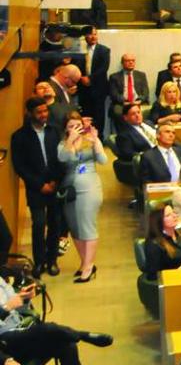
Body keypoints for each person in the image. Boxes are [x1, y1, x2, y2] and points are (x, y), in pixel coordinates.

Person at [0, 274, 109, 365]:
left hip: (20, 330)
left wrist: (24, 298)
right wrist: (7, 307)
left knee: (66, 345)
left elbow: (17, 309)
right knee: (48, 330)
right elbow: (9, 307)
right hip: (4, 342)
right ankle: (82, 335)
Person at [11, 98, 62, 275]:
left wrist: (55, 181)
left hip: (55, 185)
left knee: (55, 224)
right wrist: (40, 185)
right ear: (30, 113)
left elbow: (59, 158)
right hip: (36, 188)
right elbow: (20, 166)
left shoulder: (54, 131)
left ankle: (52, 260)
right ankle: (39, 262)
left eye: (45, 111)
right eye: (39, 112)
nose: (43, 115)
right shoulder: (19, 136)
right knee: (39, 224)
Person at [56, 116, 105, 283]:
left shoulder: (90, 141)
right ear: (66, 129)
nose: (76, 128)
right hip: (70, 189)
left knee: (87, 225)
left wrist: (96, 140)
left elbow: (103, 160)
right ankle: (84, 262)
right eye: (71, 126)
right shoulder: (63, 144)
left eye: (78, 125)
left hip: (90, 187)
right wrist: (71, 141)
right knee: (75, 227)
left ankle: (89, 266)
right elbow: (64, 159)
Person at [142, 203, 181, 279]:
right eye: (168, 215)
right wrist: (177, 272)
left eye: (174, 212)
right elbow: (153, 275)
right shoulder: (153, 244)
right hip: (171, 283)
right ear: (159, 221)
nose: (174, 216)